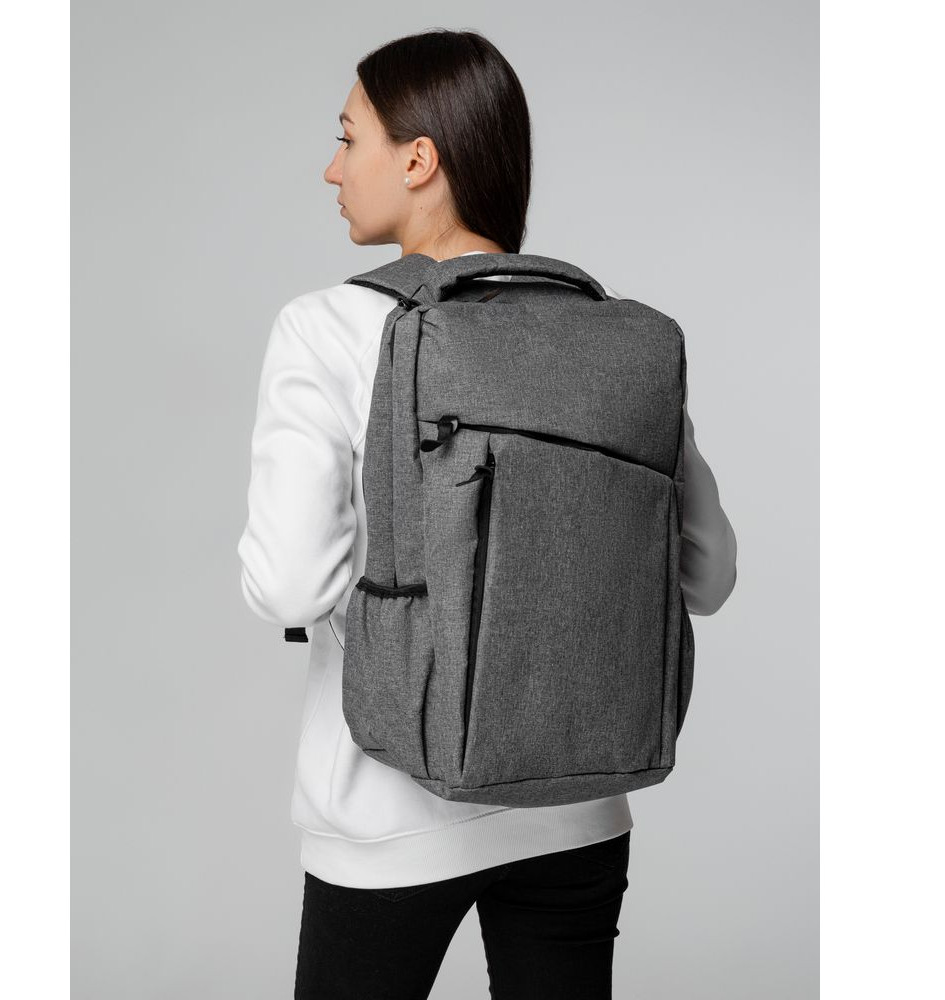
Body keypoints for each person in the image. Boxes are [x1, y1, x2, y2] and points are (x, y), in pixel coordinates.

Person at [237, 28, 738, 1000]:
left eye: (349, 138)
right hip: (580, 805)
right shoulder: (613, 340)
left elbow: (289, 583)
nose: (333, 167)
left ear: (418, 159)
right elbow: (709, 577)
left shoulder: (327, 327)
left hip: (387, 810)